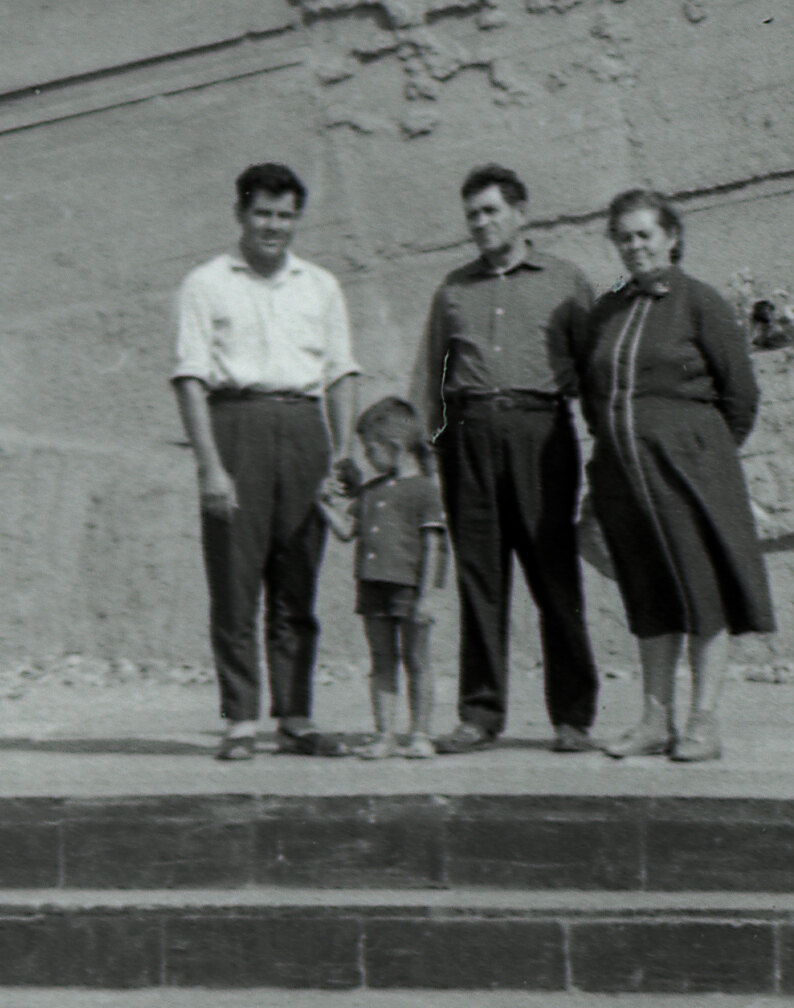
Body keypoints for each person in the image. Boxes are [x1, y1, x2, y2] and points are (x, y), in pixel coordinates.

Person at [172, 161, 362, 761]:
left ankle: (297, 717)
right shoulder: (206, 283)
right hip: (236, 426)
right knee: (234, 580)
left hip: (305, 429)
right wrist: (209, 465)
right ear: (240, 214)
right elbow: (189, 379)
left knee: (297, 581)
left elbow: (340, 373)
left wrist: (344, 451)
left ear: (297, 219)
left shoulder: (320, 285)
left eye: (285, 216)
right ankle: (239, 720)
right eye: (263, 214)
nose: (273, 227)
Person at [409, 164, 602, 754]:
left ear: (521, 213)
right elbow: (428, 381)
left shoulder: (567, 281)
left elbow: (594, 374)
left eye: (491, 211)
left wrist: (605, 460)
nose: (481, 224)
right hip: (469, 437)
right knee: (480, 581)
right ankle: (480, 715)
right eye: (472, 214)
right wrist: (425, 459)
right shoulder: (453, 291)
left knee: (554, 577)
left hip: (541, 432)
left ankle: (571, 718)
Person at [579, 188, 774, 763]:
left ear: (672, 237)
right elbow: (595, 398)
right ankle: (653, 720)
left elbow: (741, 395)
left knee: (702, 592)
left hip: (690, 477)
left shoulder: (702, 303)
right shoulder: (607, 309)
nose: (634, 246)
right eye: (623, 236)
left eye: (644, 234)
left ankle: (704, 722)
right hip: (623, 476)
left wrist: (700, 453)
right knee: (648, 594)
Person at [343, 398, 449, 760]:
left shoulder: (424, 489)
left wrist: (427, 597)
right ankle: (384, 734)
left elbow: (434, 547)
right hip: (372, 585)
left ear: (394, 447)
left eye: (369, 449)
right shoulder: (370, 491)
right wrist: (323, 503)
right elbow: (346, 531)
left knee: (417, 660)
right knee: (382, 660)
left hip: (409, 589)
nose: (366, 457)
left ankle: (420, 733)